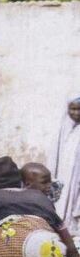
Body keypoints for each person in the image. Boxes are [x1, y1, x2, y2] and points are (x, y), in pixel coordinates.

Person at [50, 96, 80, 234]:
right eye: (72, 109)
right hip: (66, 178)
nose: (76, 113)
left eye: (79, 109)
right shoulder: (66, 130)